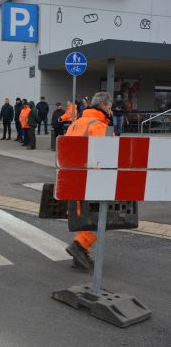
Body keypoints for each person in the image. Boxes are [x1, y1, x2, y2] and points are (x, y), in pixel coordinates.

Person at [65, 92, 114, 270]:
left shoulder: (76, 124)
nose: (111, 110)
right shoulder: (99, 126)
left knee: (83, 217)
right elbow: (109, 156)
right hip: (92, 179)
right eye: (109, 107)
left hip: (73, 177)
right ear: (102, 106)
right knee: (98, 217)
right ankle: (79, 247)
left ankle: (80, 254)